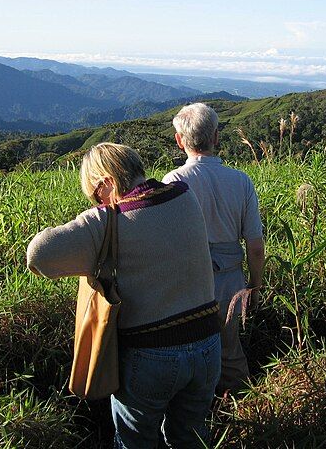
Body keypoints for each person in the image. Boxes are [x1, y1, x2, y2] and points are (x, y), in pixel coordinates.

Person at [27, 142, 221, 448]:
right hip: (209, 346)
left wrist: (97, 215)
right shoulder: (185, 194)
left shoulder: (109, 220)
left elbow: (38, 255)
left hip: (152, 355)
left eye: (94, 194)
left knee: (135, 442)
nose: (96, 200)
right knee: (190, 438)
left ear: (107, 182)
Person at [163, 103, 265, 394]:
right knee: (231, 354)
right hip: (231, 284)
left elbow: (169, 244)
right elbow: (255, 247)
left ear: (180, 140)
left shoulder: (175, 181)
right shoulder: (241, 181)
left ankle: (197, 419)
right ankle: (245, 415)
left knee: (190, 355)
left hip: (190, 283)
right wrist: (254, 290)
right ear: (216, 137)